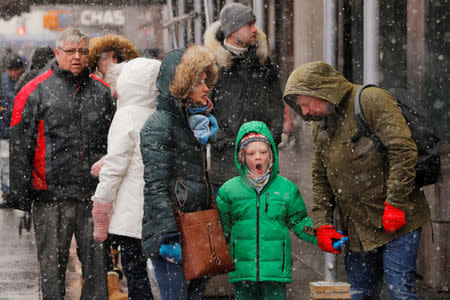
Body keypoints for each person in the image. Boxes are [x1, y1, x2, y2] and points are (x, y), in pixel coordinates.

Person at [283, 61, 431, 299]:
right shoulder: (320, 127)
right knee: (361, 293)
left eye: (307, 104)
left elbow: (403, 150)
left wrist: (396, 203)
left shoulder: (371, 100)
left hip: (398, 218)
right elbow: (320, 177)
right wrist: (322, 224)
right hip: (358, 227)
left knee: (399, 291)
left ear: (322, 91)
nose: (306, 112)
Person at [9, 27, 115, 299]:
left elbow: (113, 144)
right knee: (52, 273)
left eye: (82, 50)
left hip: (93, 195)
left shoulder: (103, 92)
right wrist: (21, 199)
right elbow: (20, 146)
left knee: (97, 272)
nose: (77, 56)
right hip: (50, 197)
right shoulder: (35, 91)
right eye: (70, 51)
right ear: (57, 53)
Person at [140, 44, 218, 300]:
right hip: (173, 230)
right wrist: (168, 233)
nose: (206, 89)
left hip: (193, 227)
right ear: (182, 83)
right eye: (200, 82)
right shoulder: (160, 124)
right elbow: (155, 185)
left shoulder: (189, 121)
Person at [216, 120, 317, 300]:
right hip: (243, 270)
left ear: (271, 156)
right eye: (251, 153)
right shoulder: (229, 190)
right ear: (242, 157)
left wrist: (322, 235)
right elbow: (221, 229)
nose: (258, 157)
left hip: (275, 271)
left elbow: (299, 222)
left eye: (263, 152)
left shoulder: (286, 189)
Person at [91, 57, 161, 300]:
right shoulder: (157, 113)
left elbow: (117, 165)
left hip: (131, 211)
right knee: (154, 272)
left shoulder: (126, 114)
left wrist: (101, 201)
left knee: (135, 271)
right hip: (156, 207)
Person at [204, 3, 284, 193]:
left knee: (264, 221)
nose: (254, 29)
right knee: (228, 222)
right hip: (225, 168)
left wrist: (270, 138)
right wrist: (222, 140)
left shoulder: (262, 63)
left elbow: (276, 105)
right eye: (248, 25)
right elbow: (202, 111)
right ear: (232, 31)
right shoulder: (213, 66)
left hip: (264, 166)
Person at [88, 33, 140, 299]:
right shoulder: (95, 87)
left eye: (110, 57)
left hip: (124, 165)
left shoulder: (130, 88)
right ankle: (111, 281)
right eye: (102, 58)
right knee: (107, 232)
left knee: (124, 231)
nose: (106, 63)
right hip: (103, 163)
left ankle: (116, 279)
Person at [0, 52, 24, 207]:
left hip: (19, 132)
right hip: (4, 131)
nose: (14, 73)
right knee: (5, 163)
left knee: (15, 165)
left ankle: (14, 193)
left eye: (16, 69)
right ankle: (8, 193)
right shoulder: (2, 82)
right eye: (11, 70)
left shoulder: (24, 80)